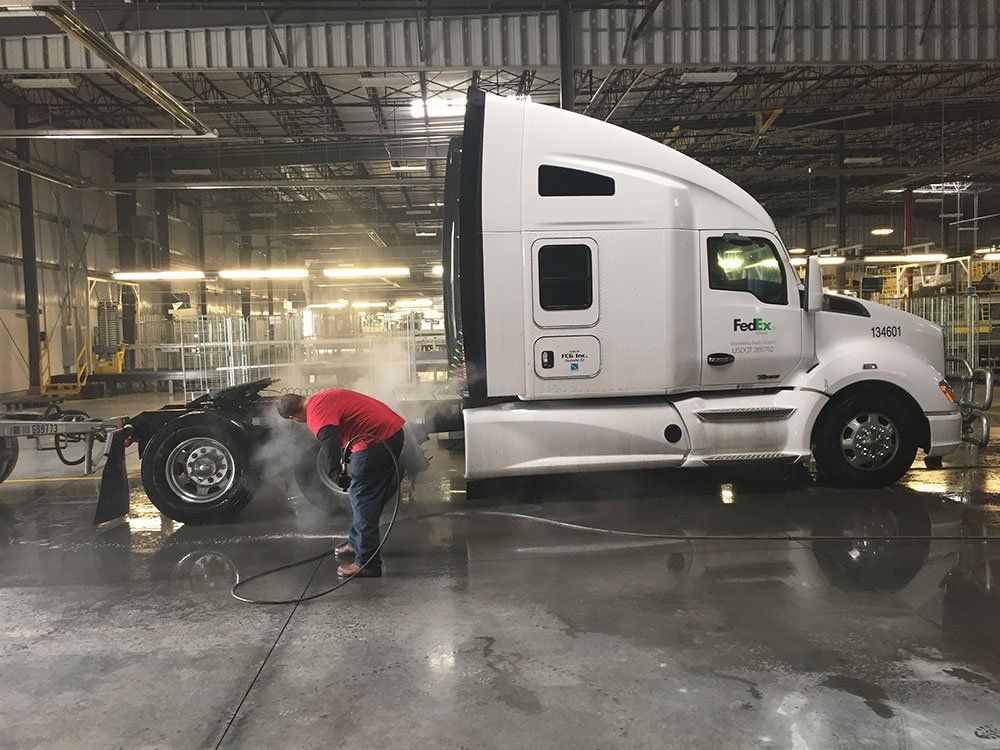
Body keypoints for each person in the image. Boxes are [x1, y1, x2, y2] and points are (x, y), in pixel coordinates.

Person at [277, 388, 405, 578]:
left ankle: (367, 563)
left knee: (363, 498)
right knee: (362, 495)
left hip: (375, 439)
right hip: (389, 431)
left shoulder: (316, 414)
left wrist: (335, 473)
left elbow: (329, 442)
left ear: (293, 417)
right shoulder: (321, 398)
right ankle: (357, 543)